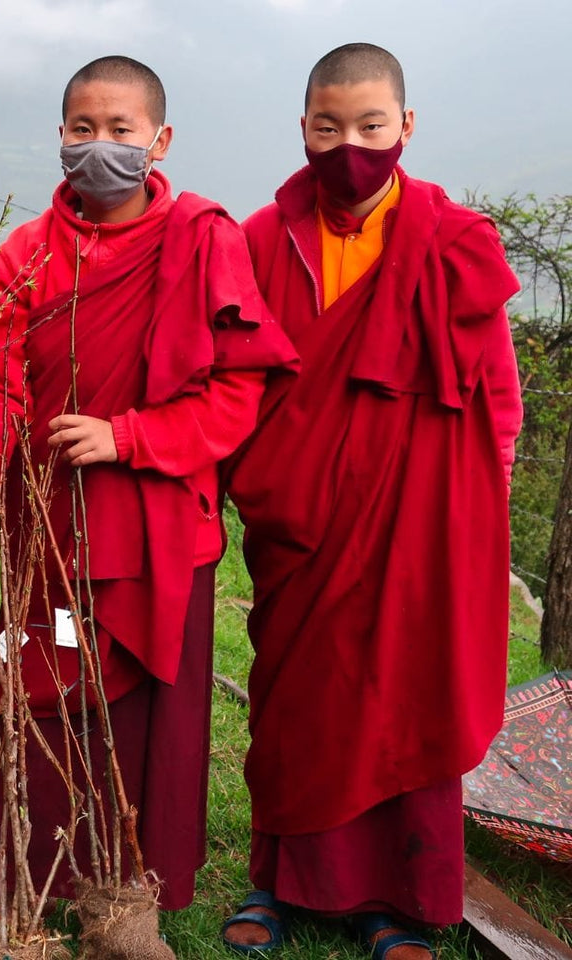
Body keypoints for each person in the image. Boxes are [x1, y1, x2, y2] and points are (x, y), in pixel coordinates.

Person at [0, 55, 296, 921]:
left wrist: (130, 436)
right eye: (83, 129)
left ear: (160, 139)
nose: (100, 145)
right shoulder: (29, 251)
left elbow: (238, 388)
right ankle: (24, 880)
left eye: (121, 130)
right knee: (40, 686)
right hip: (52, 525)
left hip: (159, 520)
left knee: (150, 711)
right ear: (61, 136)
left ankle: (128, 893)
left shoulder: (203, 237)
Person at [222, 43, 522, 960]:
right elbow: (234, 375)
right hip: (301, 515)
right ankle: (279, 881)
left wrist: (486, 504)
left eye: (370, 127)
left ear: (406, 127)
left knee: (405, 693)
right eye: (327, 127)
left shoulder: (456, 240)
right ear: (303, 129)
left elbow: (496, 392)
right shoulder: (262, 239)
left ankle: (395, 899)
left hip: (421, 520)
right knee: (297, 701)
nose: (348, 146)